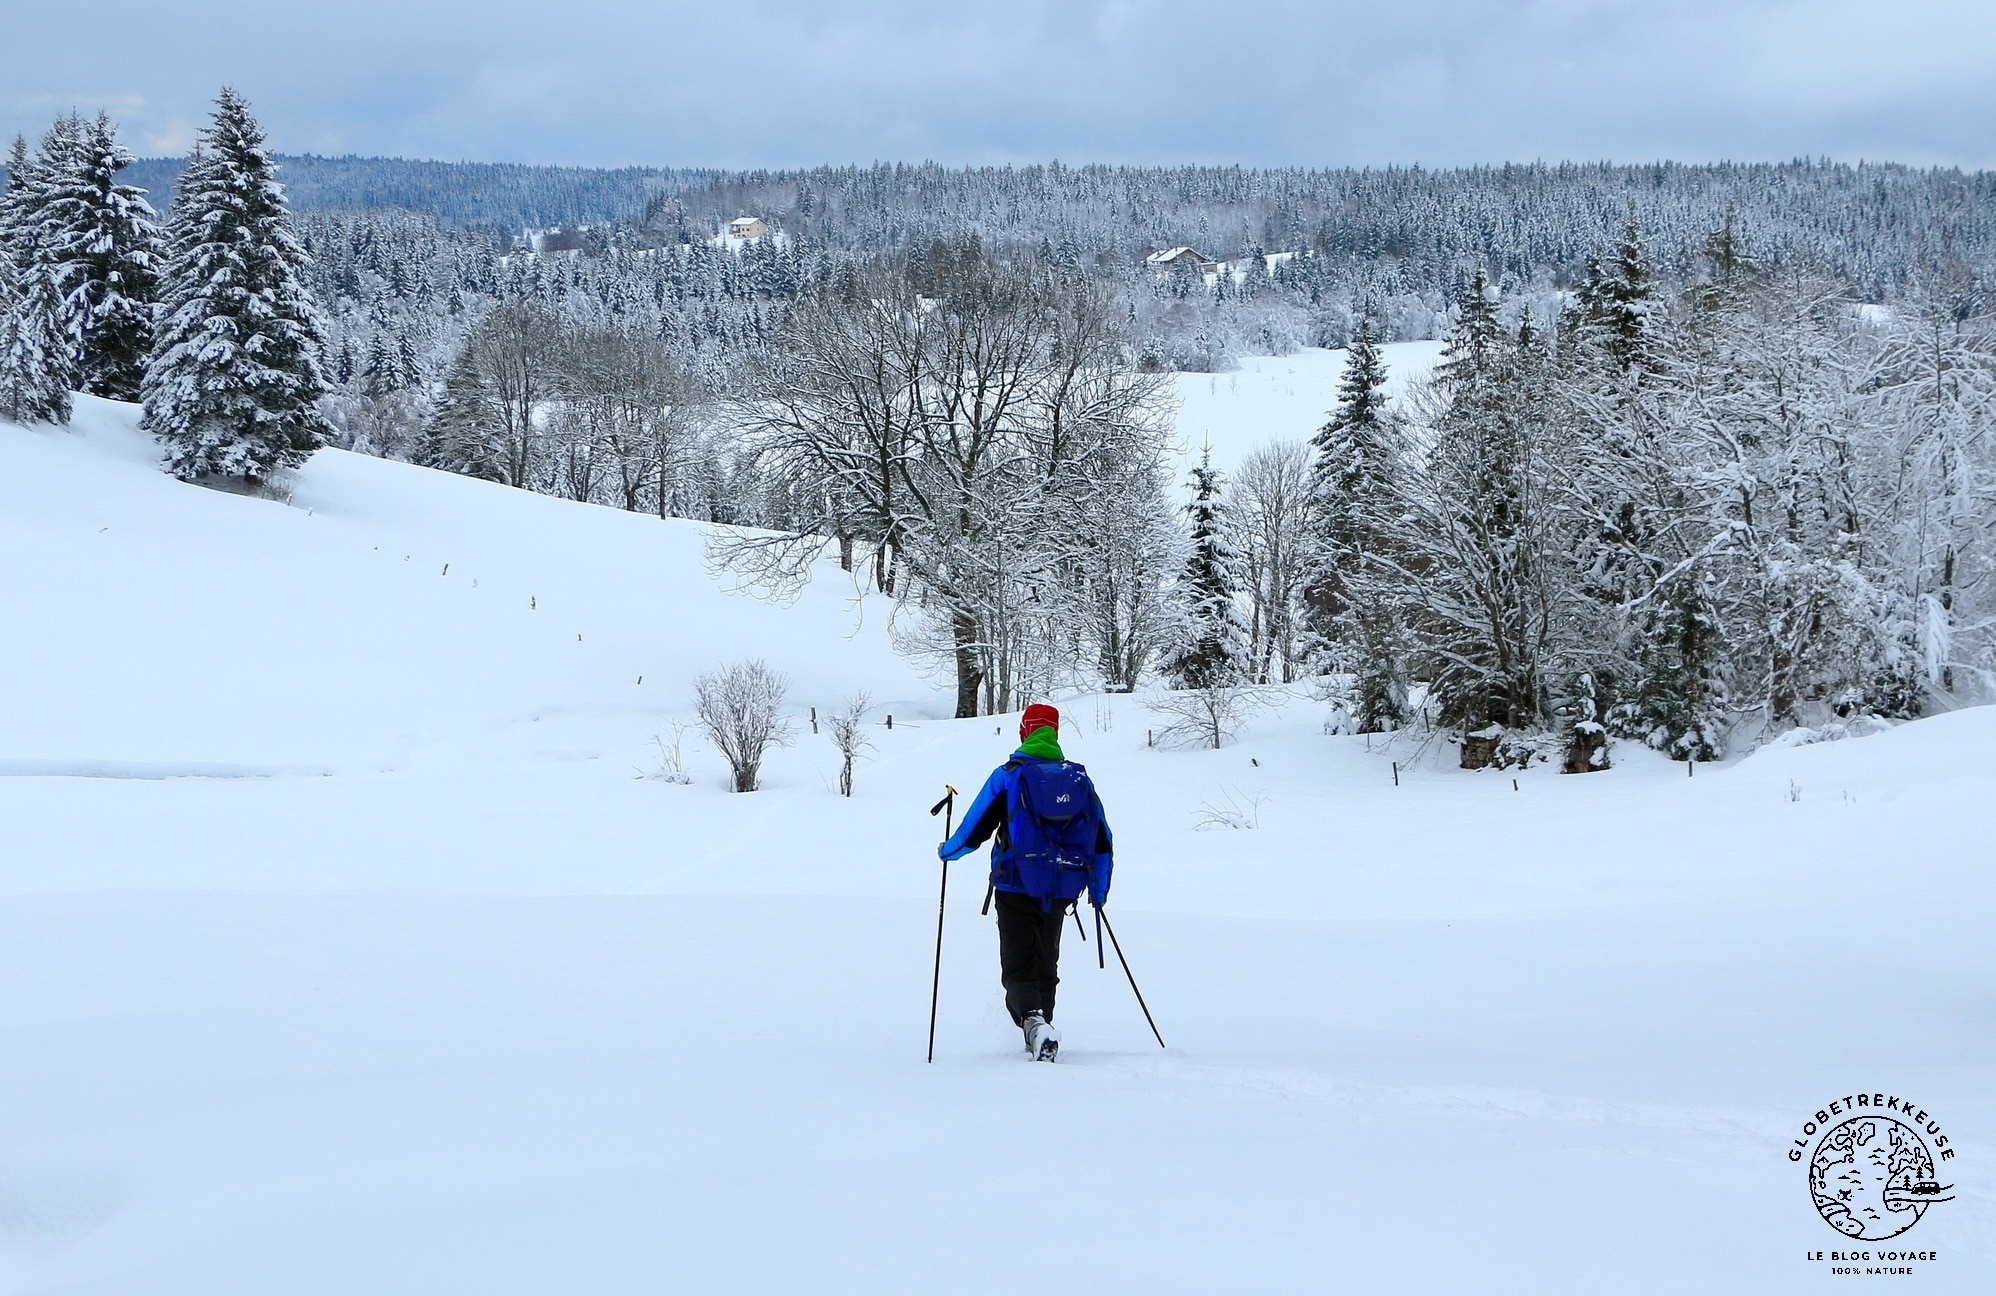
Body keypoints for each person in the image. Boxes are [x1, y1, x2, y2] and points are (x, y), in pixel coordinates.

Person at [938, 703, 1112, 1062]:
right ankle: (1042, 1027)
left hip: (1015, 883)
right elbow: (1102, 840)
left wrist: (948, 851)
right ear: (1055, 733)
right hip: (1062, 888)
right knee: (1046, 964)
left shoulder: (1009, 775)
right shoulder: (1079, 780)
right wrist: (1099, 889)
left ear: (1024, 732)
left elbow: (975, 829)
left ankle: (1035, 1026)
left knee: (1018, 967)